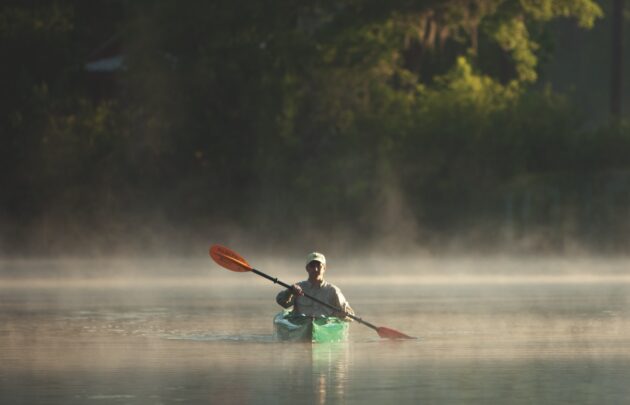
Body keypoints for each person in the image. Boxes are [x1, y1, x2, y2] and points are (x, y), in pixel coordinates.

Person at [276, 251, 354, 320]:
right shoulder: (297, 288)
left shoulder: (333, 290)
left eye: (318, 266)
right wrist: (289, 291)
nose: (315, 269)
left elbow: (351, 313)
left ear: (324, 268)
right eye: (312, 266)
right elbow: (282, 302)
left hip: (325, 326)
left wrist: (345, 314)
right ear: (307, 268)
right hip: (300, 324)